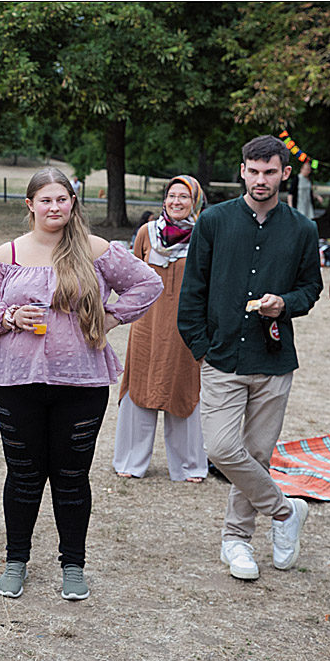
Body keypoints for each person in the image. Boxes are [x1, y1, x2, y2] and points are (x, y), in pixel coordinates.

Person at [0, 167, 162, 601]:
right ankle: (16, 560)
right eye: (46, 200)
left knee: (71, 476)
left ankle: (73, 565)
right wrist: (10, 317)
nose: (54, 207)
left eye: (62, 199)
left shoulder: (95, 250)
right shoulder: (9, 254)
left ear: (73, 203)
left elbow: (148, 283)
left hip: (82, 382)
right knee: (23, 474)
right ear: (30, 205)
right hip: (17, 381)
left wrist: (109, 318)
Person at [177, 135, 323, 582]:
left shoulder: (302, 229)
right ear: (242, 171)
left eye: (271, 172)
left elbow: (310, 289)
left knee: (257, 455)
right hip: (221, 358)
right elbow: (193, 290)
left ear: (283, 174)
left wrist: (287, 303)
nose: (262, 180)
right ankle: (284, 512)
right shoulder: (215, 221)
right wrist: (202, 348)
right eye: (254, 171)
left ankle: (236, 540)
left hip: (274, 360)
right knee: (221, 449)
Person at [114, 176, 207, 482]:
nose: (176, 202)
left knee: (183, 389)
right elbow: (131, 275)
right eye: (172, 196)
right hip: (147, 325)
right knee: (140, 386)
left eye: (184, 197)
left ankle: (189, 466)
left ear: (195, 201)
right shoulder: (147, 233)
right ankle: (131, 461)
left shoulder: (203, 236)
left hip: (185, 326)